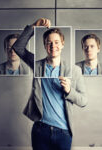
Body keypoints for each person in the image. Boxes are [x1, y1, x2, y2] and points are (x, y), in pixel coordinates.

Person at [12, 18, 87, 150]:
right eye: (49, 43)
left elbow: (83, 101)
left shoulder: (74, 70)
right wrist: (34, 26)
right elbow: (18, 47)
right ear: (44, 45)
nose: (53, 46)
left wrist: (69, 91)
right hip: (41, 130)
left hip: (63, 133)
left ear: (62, 44)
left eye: (57, 42)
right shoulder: (37, 65)